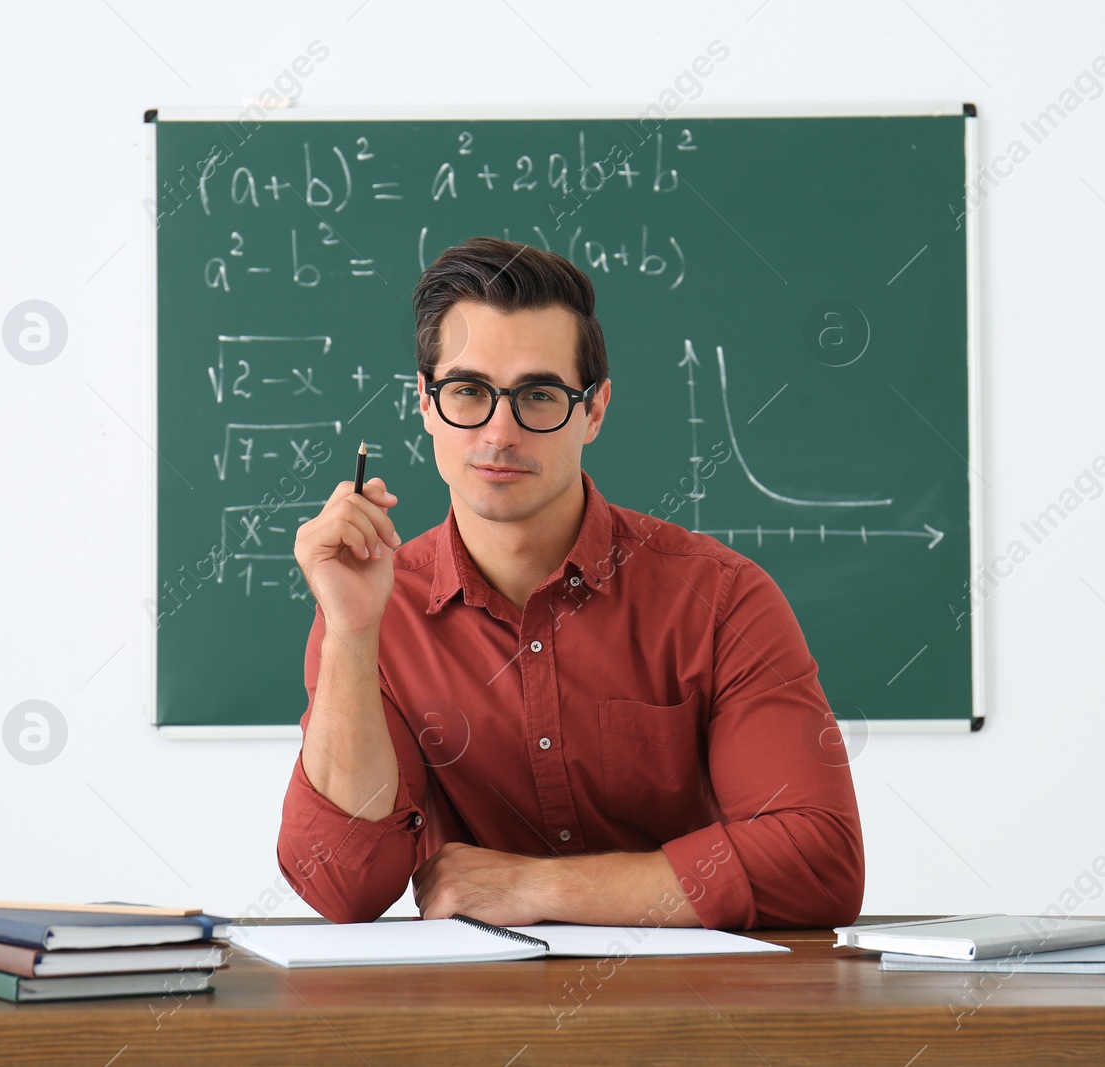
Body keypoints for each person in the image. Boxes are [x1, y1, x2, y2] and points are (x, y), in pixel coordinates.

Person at [277, 237, 864, 930]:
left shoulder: (721, 598)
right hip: (467, 1020)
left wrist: (537, 889)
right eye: (468, 392)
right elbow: (343, 885)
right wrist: (349, 631)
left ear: (594, 409)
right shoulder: (372, 607)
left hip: (698, 1017)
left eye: (539, 395)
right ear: (427, 405)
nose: (500, 432)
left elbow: (818, 864)